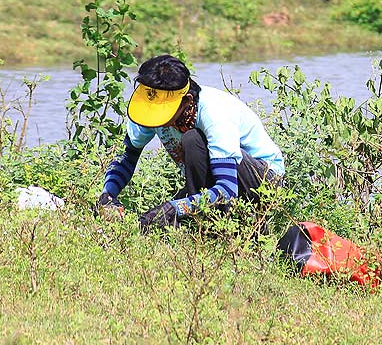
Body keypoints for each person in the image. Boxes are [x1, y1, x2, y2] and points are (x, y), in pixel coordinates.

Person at [97, 54, 285, 230]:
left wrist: (176, 208)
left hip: (262, 181)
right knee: (149, 224)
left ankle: (229, 229)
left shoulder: (214, 112)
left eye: (162, 111)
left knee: (193, 140)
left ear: (186, 101)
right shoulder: (149, 107)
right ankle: (206, 226)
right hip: (216, 182)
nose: (154, 117)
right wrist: (108, 195)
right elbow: (127, 157)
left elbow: (228, 189)